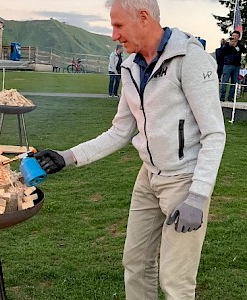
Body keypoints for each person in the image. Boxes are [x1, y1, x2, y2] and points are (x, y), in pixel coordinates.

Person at [30, 0, 226, 299]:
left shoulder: (190, 58)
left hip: (184, 182)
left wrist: (197, 197)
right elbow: (120, 131)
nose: (113, 35)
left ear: (144, 17)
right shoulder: (129, 65)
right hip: (148, 177)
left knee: (175, 281)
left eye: (118, 25)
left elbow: (214, 133)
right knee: (135, 264)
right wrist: (65, 157)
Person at [220, 30, 246, 101]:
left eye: (236, 36)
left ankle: (230, 97)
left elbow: (243, 50)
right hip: (227, 65)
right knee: (225, 81)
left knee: (234, 82)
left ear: (238, 37)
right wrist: (229, 45)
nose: (234, 37)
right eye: (233, 36)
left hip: (236, 66)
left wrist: (236, 47)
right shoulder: (227, 44)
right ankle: (222, 96)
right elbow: (222, 50)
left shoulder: (240, 45)